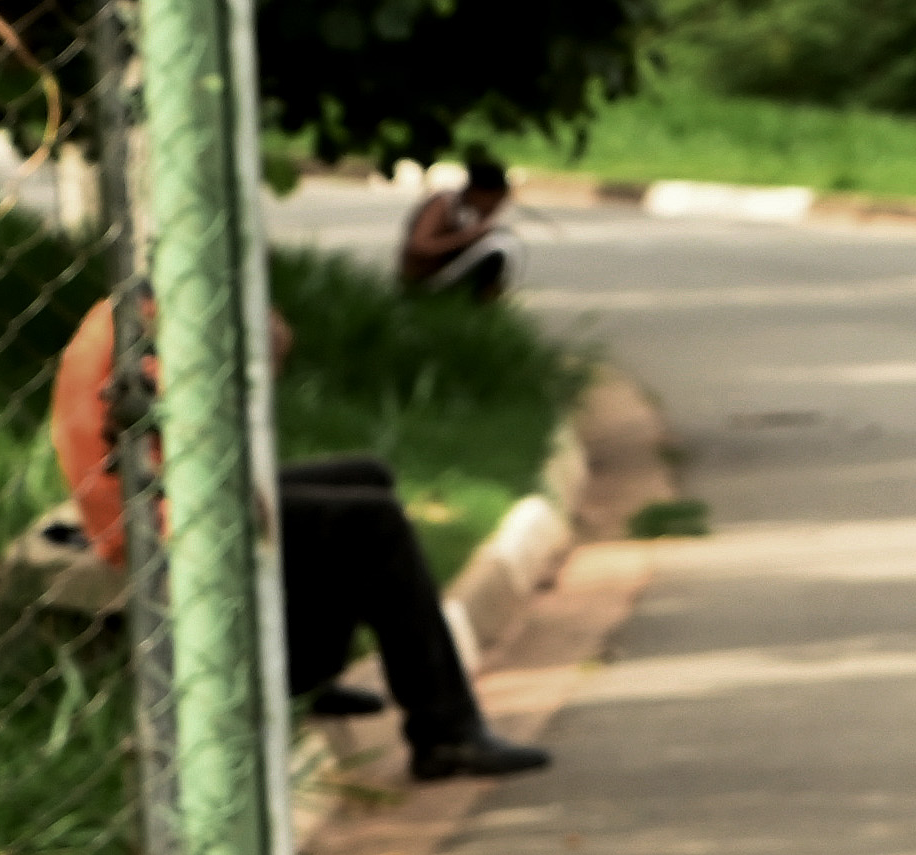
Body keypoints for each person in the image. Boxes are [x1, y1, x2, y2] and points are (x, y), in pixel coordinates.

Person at [47, 297, 550, 782]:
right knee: (371, 523)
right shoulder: (150, 328)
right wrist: (247, 355)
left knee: (367, 477)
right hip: (161, 521)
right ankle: (445, 734)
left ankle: (303, 674)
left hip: (174, 496)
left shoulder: (135, 310)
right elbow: (192, 434)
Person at [398, 153, 517, 303]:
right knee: (493, 254)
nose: (495, 208)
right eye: (494, 202)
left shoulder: (469, 212)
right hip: (423, 280)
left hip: (446, 277)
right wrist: (469, 236)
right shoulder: (444, 204)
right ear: (480, 193)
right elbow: (419, 245)